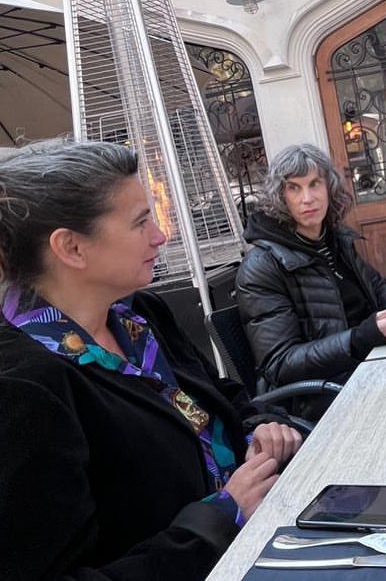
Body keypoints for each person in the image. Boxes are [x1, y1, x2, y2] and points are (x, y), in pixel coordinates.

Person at [0, 141, 302, 580]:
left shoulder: (140, 315)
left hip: (270, 534)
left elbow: (222, 398)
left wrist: (260, 429)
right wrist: (220, 518)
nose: (160, 236)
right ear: (72, 248)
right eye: (141, 222)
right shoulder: (23, 387)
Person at [235, 143, 386, 421]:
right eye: (294, 188)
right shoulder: (262, 265)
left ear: (329, 188)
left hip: (371, 366)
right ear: (280, 197)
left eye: (315, 184)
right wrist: (358, 339)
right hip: (322, 395)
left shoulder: (333, 240)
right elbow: (280, 363)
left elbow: (379, 286)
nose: (308, 198)